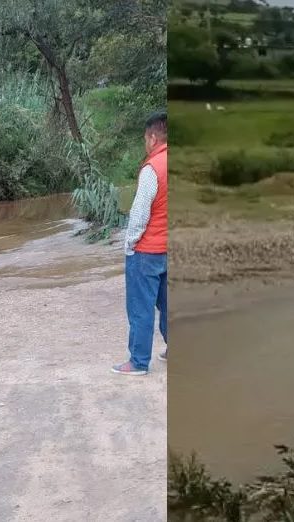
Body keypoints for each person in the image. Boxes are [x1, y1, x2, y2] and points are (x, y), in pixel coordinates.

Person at [112, 112, 168, 376]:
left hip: (147, 251)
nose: (146, 143)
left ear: (153, 137)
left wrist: (130, 244)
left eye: (146, 139)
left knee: (141, 308)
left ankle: (138, 362)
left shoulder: (152, 169)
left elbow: (139, 214)